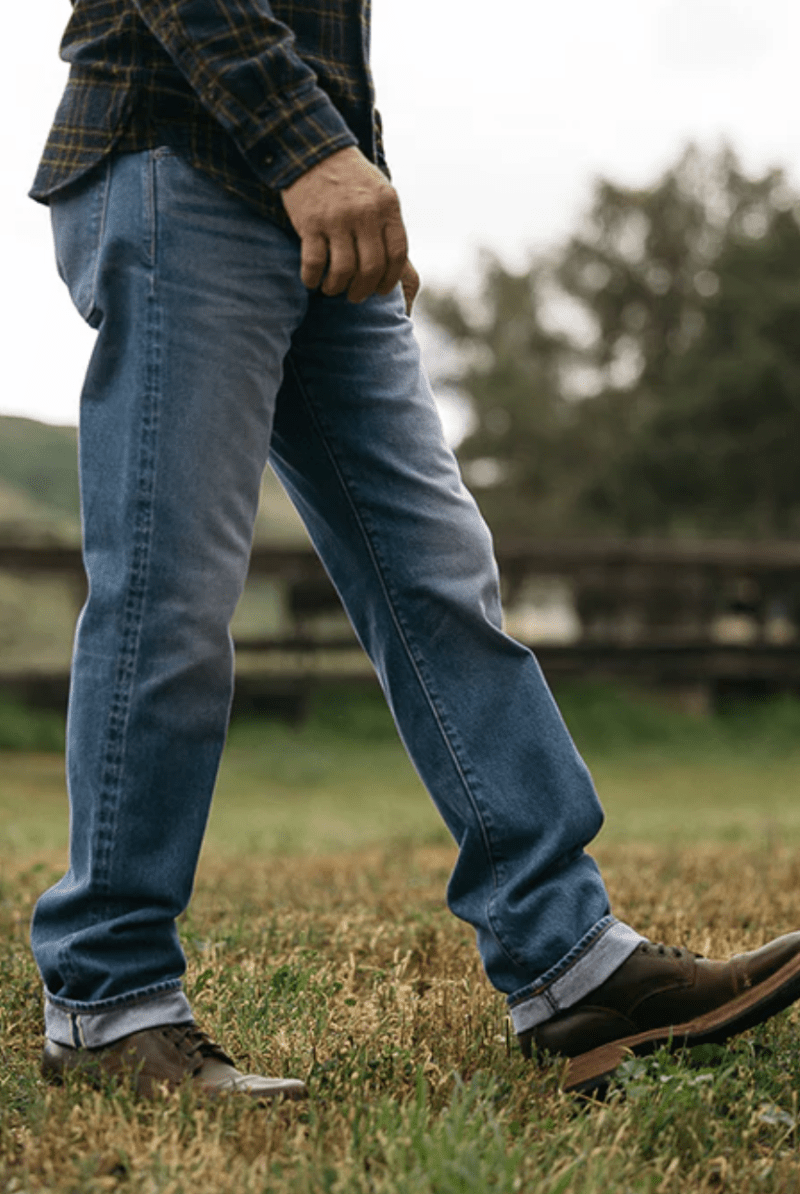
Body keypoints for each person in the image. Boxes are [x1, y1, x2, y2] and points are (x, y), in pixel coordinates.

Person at [28, 0, 800, 1101]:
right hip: (179, 160)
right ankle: (107, 1001)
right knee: (172, 597)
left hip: (322, 196)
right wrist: (312, 150)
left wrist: (347, 170)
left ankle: (566, 958)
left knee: (442, 580)